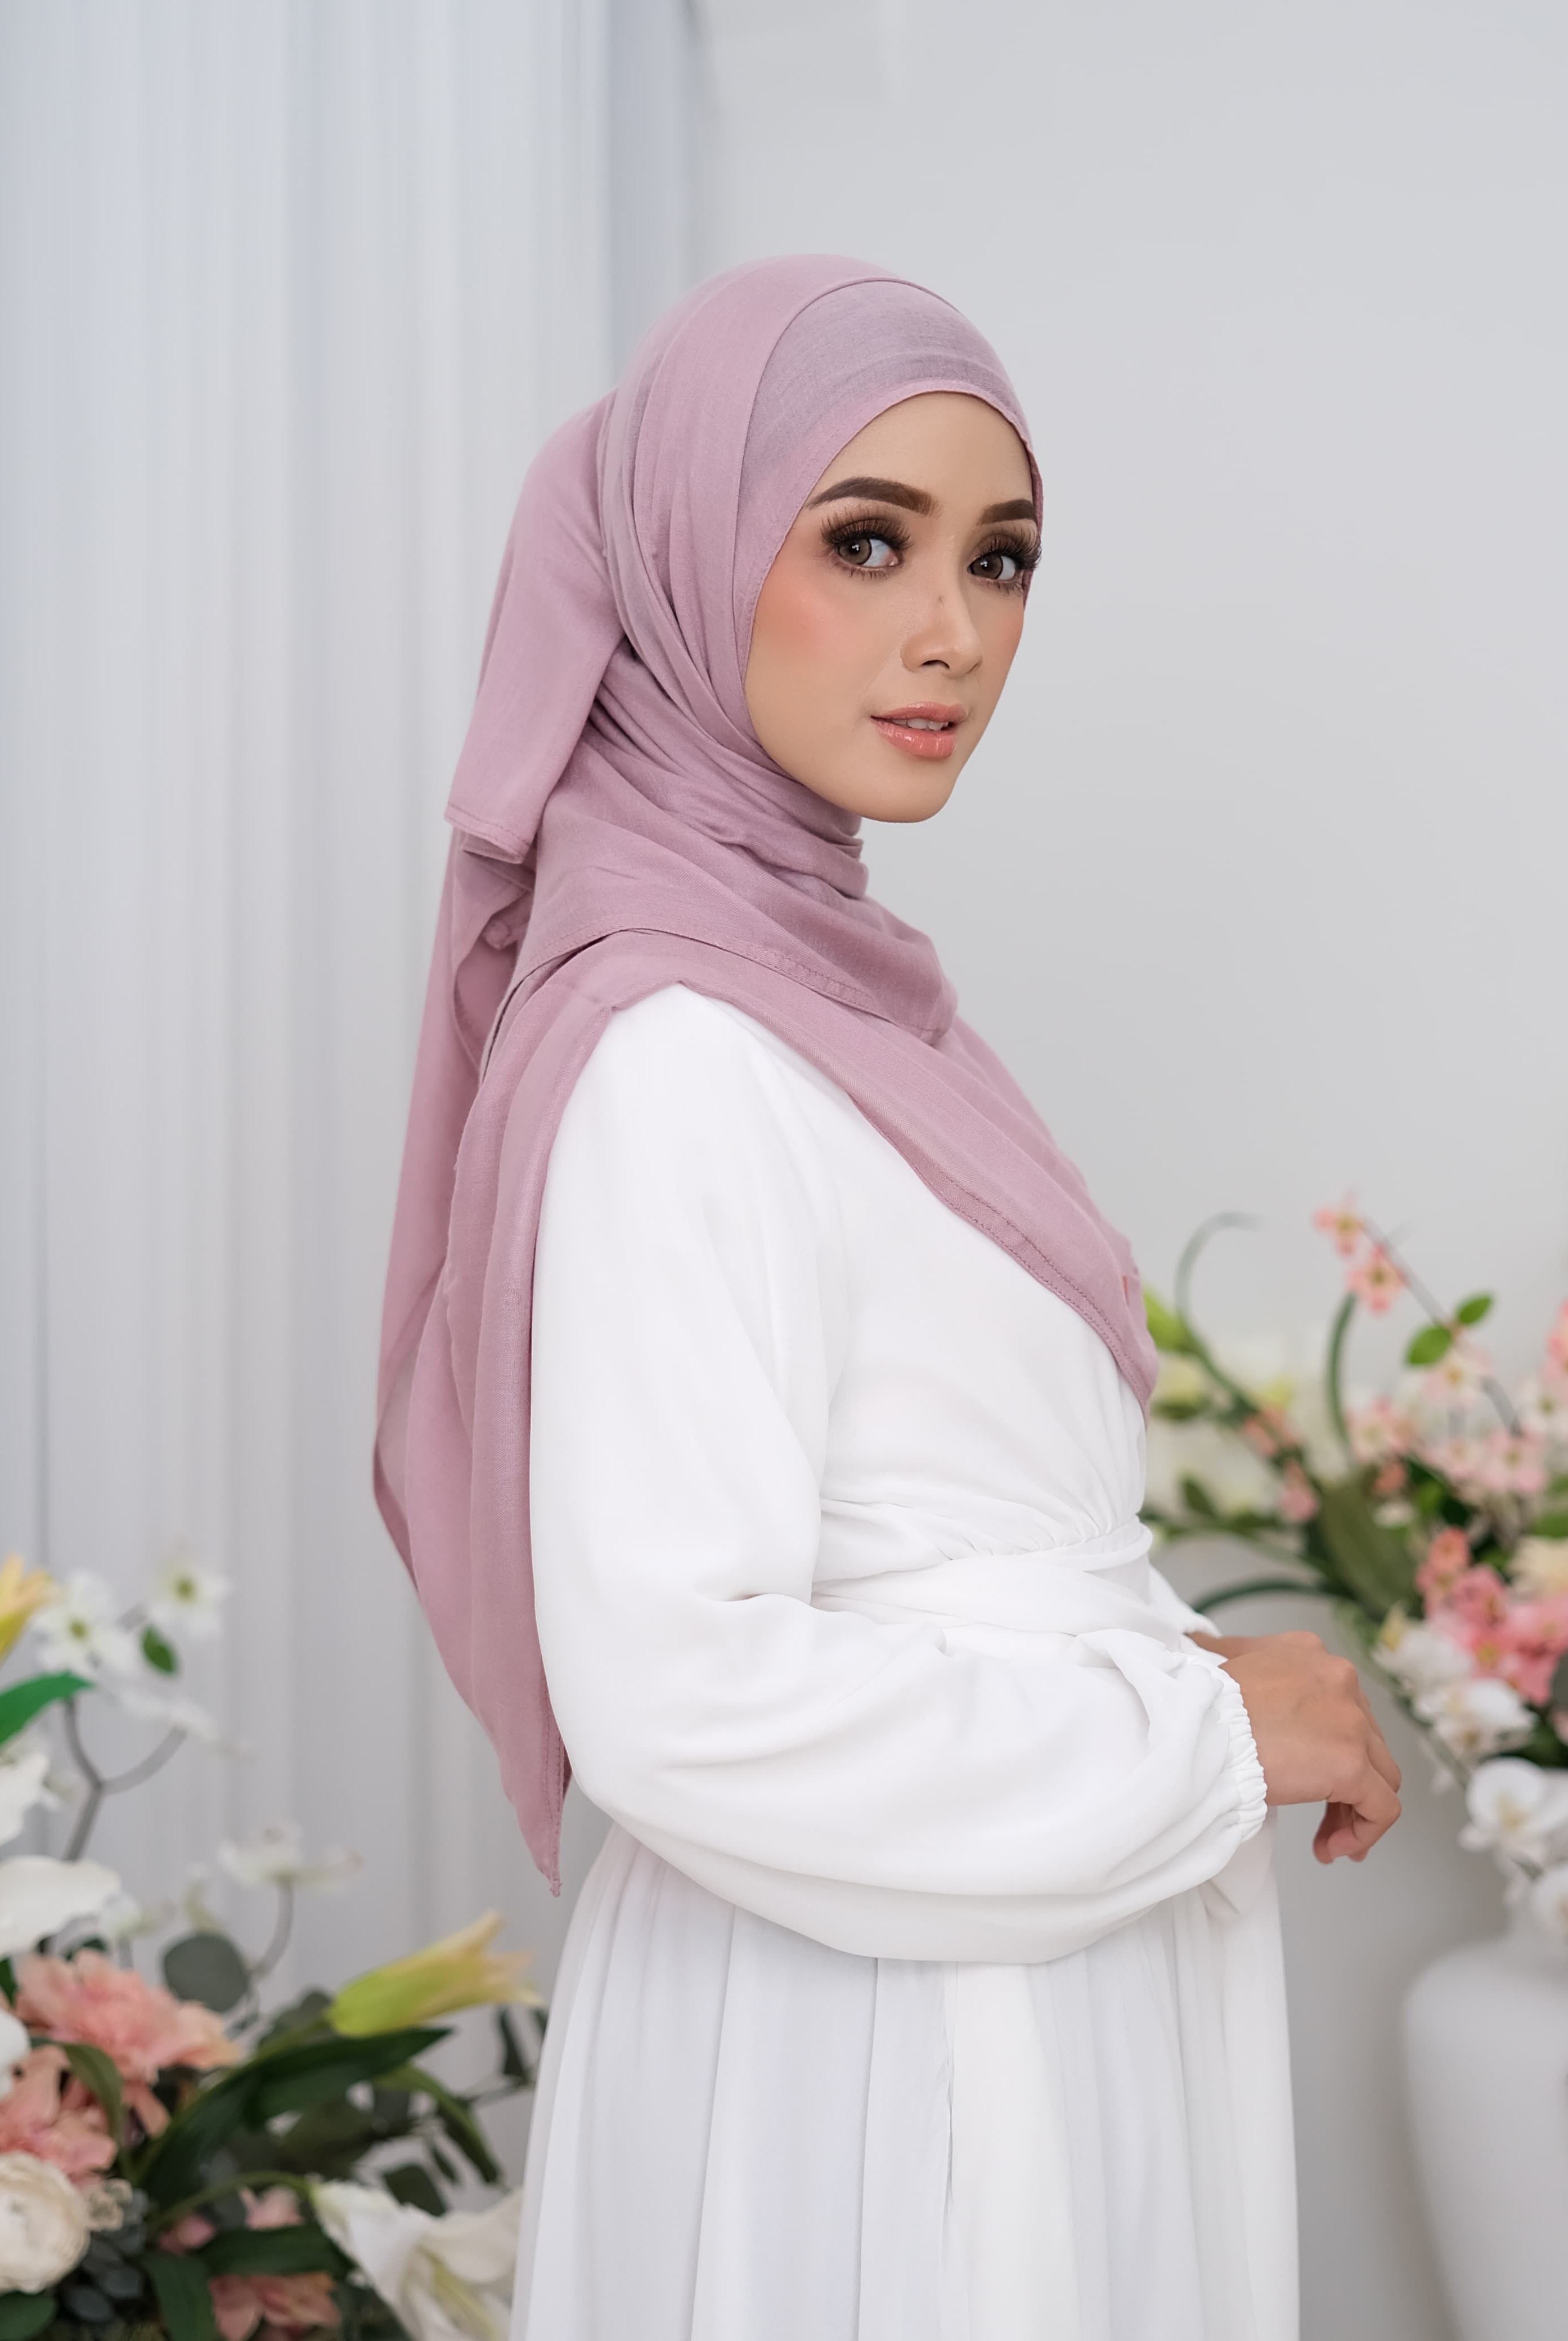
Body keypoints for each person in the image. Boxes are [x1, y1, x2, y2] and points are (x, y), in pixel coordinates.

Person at [375, 255, 1400, 2341]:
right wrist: (1203, 1736)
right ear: (680, 556)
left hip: (992, 1980)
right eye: (866, 542)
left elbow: (929, 1532)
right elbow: (679, 1694)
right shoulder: (679, 1054)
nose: (954, 631)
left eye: (1001, 559)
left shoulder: (832, 1005)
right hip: (884, 2052)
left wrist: (1191, 1679)